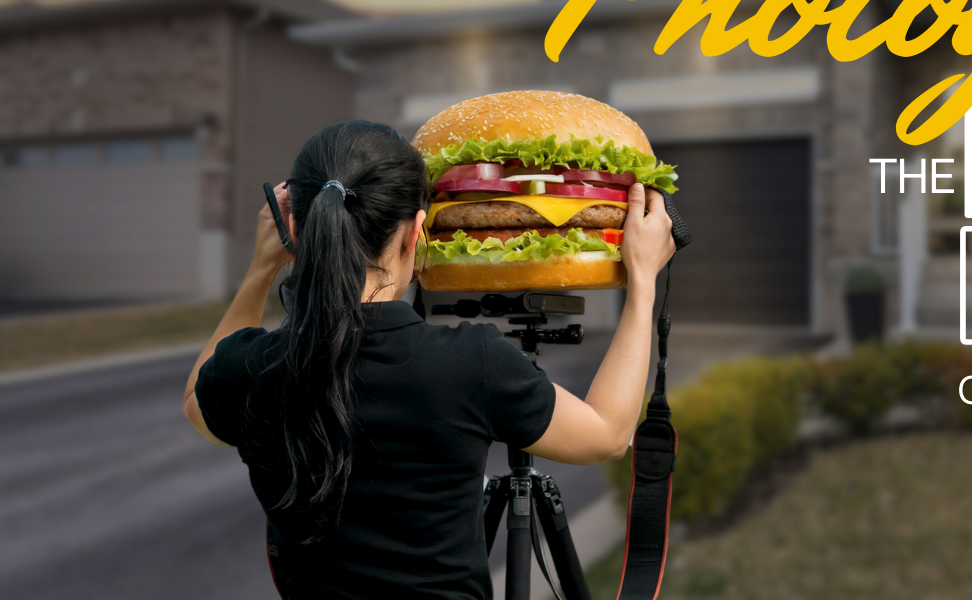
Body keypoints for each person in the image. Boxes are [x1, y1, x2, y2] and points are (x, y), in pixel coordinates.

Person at [180, 120, 675, 598]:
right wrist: (643, 283)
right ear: (415, 232)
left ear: (295, 228)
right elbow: (609, 434)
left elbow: (197, 402)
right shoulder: (471, 363)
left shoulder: (245, 369)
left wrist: (260, 270)